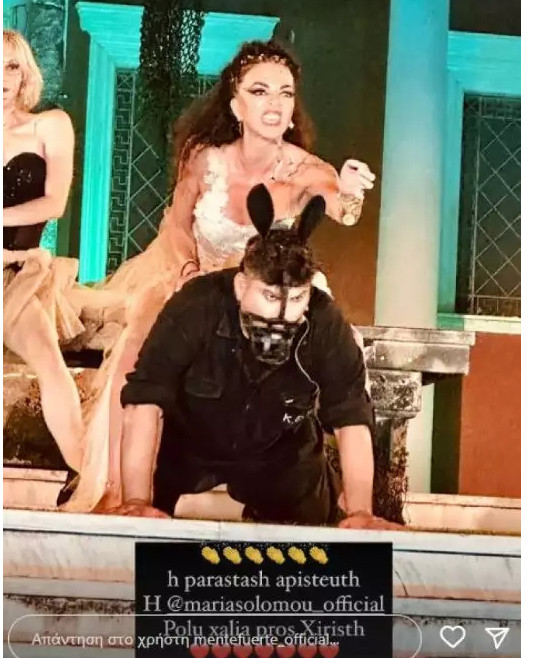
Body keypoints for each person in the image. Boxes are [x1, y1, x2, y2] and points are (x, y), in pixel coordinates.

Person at [64, 39, 375, 513]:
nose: (274, 104)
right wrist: (188, 272)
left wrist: (350, 191)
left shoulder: (305, 169)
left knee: (339, 350)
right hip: (198, 285)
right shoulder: (205, 159)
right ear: (236, 104)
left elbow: (342, 209)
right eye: (260, 91)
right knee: (136, 348)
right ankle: (121, 491)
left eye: (285, 93)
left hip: (270, 292)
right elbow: (176, 224)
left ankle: (352, 501)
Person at [111, 185, 397, 530]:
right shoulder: (196, 305)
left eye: (297, 299)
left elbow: (351, 414)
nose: (281, 314)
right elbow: (145, 399)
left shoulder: (324, 320)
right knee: (141, 527)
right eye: (269, 296)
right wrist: (137, 501)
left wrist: (361, 511)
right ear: (241, 286)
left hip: (281, 452)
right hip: (188, 442)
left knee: (319, 531)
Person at [3, 29, 84, 471]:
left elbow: (55, 203)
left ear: (24, 74)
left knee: (50, 361)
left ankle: (87, 478)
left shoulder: (50, 125)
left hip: (17, 272)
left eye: (11, 66)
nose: (3, 78)